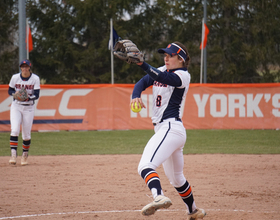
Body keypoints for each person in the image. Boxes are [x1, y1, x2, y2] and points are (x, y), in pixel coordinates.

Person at [130, 42, 206, 219]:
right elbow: (142, 82)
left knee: (145, 165)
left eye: (170, 55)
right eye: (164, 54)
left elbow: (165, 79)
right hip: (169, 131)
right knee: (177, 178)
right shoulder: (162, 69)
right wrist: (135, 95)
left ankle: (158, 196)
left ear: (180, 59)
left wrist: (142, 64)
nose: (166, 57)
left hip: (170, 128)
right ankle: (193, 211)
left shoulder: (183, 75)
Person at [8, 59, 40, 166]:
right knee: (15, 130)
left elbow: (37, 94)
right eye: (23, 67)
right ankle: (13, 155)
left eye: (26, 67)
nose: (24, 68)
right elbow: (10, 90)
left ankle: (25, 155)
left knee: (26, 135)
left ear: (29, 67)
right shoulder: (15, 77)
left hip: (29, 107)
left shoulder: (35, 78)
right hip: (16, 106)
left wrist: (28, 98)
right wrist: (16, 94)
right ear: (20, 68)